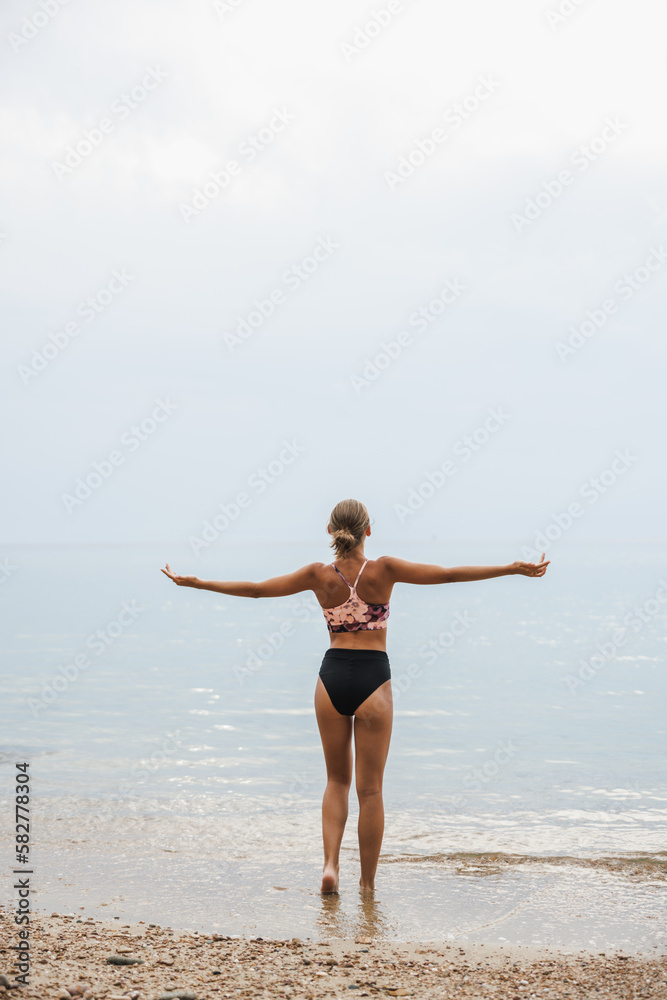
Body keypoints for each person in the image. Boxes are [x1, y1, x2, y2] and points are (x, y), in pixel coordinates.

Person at [161, 498, 550, 895]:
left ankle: (330, 866)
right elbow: (448, 575)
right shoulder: (384, 570)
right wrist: (510, 568)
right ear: (368, 531)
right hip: (373, 680)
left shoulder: (318, 574)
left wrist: (199, 582)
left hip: (330, 679)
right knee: (371, 790)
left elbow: (258, 591)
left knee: (336, 781)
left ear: (330, 532)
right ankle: (366, 885)